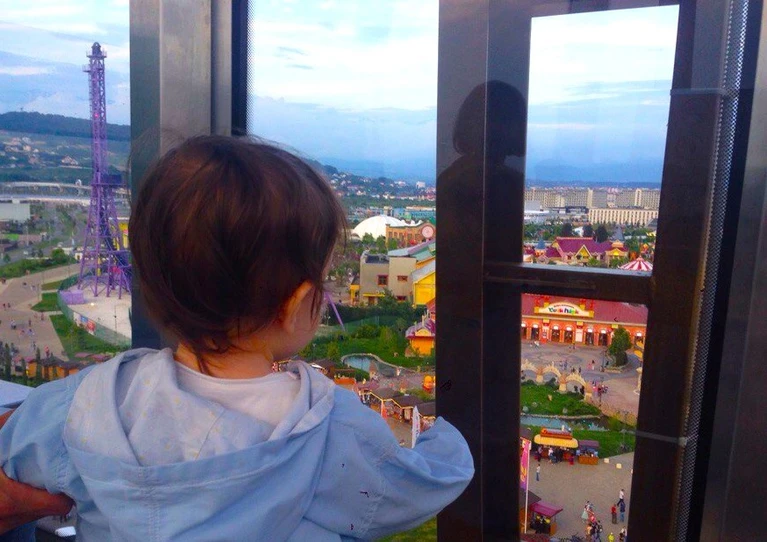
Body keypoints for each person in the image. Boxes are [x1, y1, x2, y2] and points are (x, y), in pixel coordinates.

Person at [0, 136, 474, 540]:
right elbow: (413, 490)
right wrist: (452, 437)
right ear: (296, 305)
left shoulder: (85, 405)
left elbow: (12, 459)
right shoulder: (327, 427)